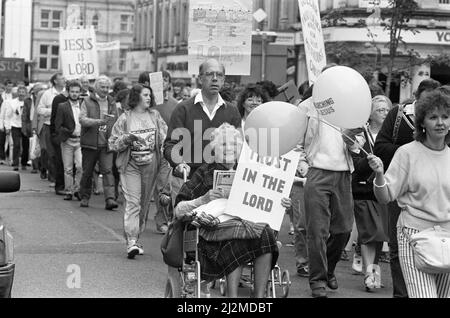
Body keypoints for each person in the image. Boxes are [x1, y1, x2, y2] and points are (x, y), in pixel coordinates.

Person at [174, 123, 291, 298]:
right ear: (214, 149)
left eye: (234, 144)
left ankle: (258, 298)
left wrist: (280, 203)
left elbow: (265, 199)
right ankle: (233, 297)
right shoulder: (204, 173)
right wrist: (203, 199)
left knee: (264, 234)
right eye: (223, 145)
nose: (229, 148)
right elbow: (179, 209)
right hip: (213, 234)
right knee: (255, 235)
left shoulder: (250, 170)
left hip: (247, 228)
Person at [367, 88, 450, 298]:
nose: (440, 122)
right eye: (433, 117)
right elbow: (385, 196)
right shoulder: (407, 153)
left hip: (447, 238)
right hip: (414, 236)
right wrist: (379, 175)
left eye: (445, 117)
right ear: (422, 122)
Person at [296, 64, 361, 298]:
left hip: (343, 174)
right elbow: (296, 141)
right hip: (317, 173)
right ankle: (317, 281)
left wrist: (353, 140)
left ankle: (328, 270)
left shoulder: (350, 107)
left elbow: (359, 143)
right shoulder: (306, 107)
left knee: (343, 230)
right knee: (317, 231)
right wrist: (303, 166)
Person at [163, 58, 241, 219]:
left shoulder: (232, 111)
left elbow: (238, 148)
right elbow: (170, 144)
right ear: (200, 78)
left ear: (224, 79)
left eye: (219, 75)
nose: (214, 78)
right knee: (183, 226)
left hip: (221, 182)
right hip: (187, 178)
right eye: (209, 74)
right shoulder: (183, 108)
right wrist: (178, 163)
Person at [109, 84, 167, 258]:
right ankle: (132, 241)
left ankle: (136, 235)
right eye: (145, 95)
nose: (149, 98)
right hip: (130, 166)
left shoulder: (155, 116)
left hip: (151, 165)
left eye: (150, 95)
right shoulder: (125, 118)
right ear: (136, 97)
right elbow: (112, 143)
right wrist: (126, 139)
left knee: (143, 203)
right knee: (133, 202)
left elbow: (165, 138)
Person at [351, 95, 392, 292]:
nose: (384, 113)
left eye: (387, 110)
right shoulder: (359, 136)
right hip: (363, 190)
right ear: (370, 114)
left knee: (380, 235)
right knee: (369, 234)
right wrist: (370, 161)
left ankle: (374, 271)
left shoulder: (392, 137)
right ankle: (369, 274)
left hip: (384, 191)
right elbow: (356, 166)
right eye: (379, 110)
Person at [79, 75, 119, 210]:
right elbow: (82, 120)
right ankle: (84, 196)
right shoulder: (87, 101)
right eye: (102, 87)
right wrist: (99, 122)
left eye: (107, 87)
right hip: (90, 143)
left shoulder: (112, 102)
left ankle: (110, 199)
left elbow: (117, 122)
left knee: (108, 171)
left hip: (106, 144)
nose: (105, 90)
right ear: (96, 87)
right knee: (87, 172)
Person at [55, 80, 83, 201]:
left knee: (81, 166)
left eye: (77, 92)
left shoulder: (84, 105)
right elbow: (57, 125)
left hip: (81, 140)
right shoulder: (62, 106)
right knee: (68, 168)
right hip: (67, 140)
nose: (74, 94)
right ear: (68, 92)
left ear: (80, 92)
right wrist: (67, 132)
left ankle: (77, 189)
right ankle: (69, 191)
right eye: (72, 91)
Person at [37, 73, 66, 191]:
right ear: (55, 81)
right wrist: (54, 111)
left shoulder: (67, 92)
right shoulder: (47, 94)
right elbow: (39, 109)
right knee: (52, 154)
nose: (64, 80)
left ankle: (66, 179)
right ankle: (54, 178)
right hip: (50, 126)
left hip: (65, 128)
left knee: (65, 154)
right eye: (61, 79)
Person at [4, 85, 29, 171]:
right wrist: (7, 127)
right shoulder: (12, 102)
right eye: (20, 92)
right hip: (15, 125)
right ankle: (15, 164)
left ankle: (24, 163)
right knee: (16, 145)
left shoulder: (28, 102)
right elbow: (8, 115)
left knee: (26, 146)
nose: (21, 94)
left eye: (23, 92)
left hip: (25, 126)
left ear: (26, 93)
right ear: (17, 93)